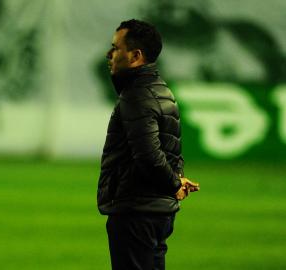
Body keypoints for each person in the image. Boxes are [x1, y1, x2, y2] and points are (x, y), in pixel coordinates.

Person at [97, 19, 200, 270]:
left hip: (136, 212)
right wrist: (177, 179)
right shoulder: (162, 90)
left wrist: (174, 183)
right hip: (157, 212)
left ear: (135, 56)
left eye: (116, 48)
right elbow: (171, 148)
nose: (109, 54)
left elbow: (149, 155)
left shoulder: (136, 96)